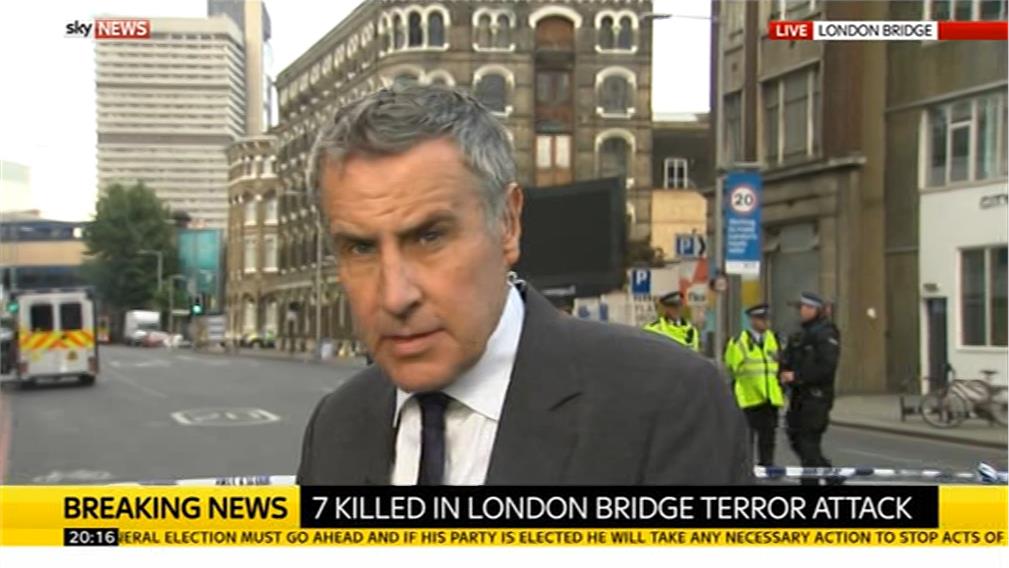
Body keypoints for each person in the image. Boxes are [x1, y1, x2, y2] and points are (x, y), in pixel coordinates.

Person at [296, 85, 751, 485]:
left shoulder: (666, 402)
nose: (395, 296)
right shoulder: (337, 424)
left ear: (508, 223)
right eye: (360, 248)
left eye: (430, 237)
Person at [780, 292, 841, 485]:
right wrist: (783, 372)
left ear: (816, 309)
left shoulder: (826, 333)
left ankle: (811, 482)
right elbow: (788, 359)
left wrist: (798, 376)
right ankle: (832, 477)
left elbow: (826, 367)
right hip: (798, 397)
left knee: (808, 443)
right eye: (801, 307)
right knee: (795, 438)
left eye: (806, 307)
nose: (802, 311)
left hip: (816, 398)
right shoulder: (800, 333)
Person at [723, 303, 783, 467]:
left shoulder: (773, 339)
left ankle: (767, 466)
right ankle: (745, 468)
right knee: (746, 438)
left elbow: (779, 365)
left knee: (768, 437)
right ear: (752, 320)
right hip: (748, 398)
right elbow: (731, 367)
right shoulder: (739, 341)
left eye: (767, 319)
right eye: (761, 319)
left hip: (769, 398)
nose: (765, 322)